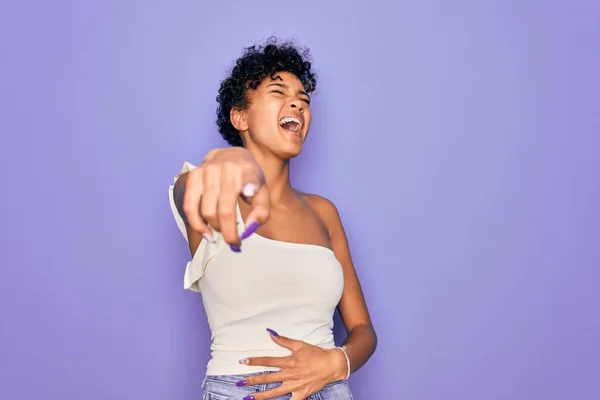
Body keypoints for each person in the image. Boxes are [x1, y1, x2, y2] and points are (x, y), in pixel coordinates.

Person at [169, 37, 377, 400]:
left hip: (328, 391)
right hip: (239, 392)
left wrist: (336, 362)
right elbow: (191, 188)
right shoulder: (208, 192)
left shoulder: (324, 213)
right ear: (240, 117)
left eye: (303, 98)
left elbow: (362, 330)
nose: (297, 102)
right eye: (278, 92)